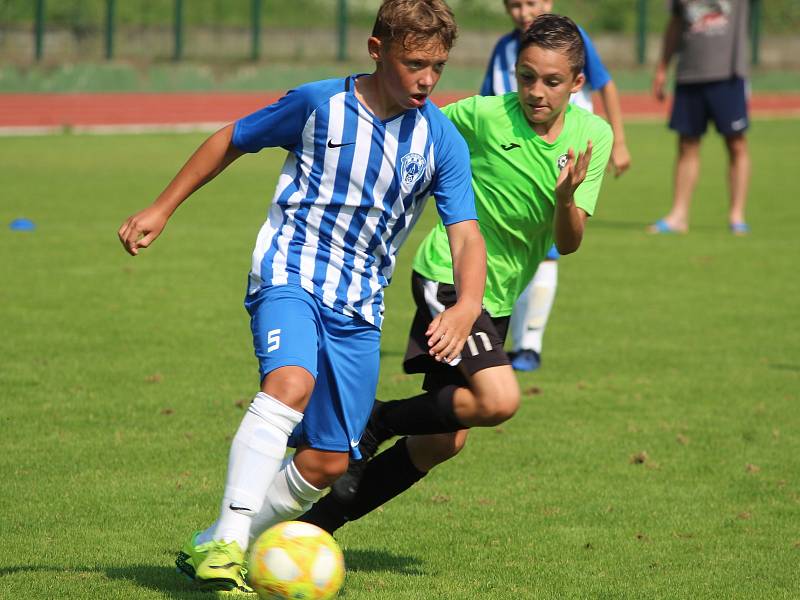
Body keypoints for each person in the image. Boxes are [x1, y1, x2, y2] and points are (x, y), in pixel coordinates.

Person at [117, 0, 486, 592]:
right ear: (376, 50)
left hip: (362, 306)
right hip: (290, 273)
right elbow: (231, 138)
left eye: (438, 66)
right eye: (415, 62)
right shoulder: (320, 104)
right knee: (290, 382)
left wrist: (468, 303)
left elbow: (465, 234)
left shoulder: (440, 139)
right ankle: (232, 545)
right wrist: (162, 208)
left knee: (326, 462)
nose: (427, 78)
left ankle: (212, 540)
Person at [300, 13, 613, 535]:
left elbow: (567, 242)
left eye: (553, 82)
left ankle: (318, 525)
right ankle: (377, 420)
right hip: (449, 274)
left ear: (577, 84)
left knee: (442, 441)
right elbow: (417, 122)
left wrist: (564, 200)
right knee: (499, 400)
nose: (537, 92)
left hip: (503, 296)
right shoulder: (486, 116)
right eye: (527, 77)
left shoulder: (592, 137)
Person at [483, 0, 631, 372]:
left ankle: (530, 342)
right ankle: (507, 341)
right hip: (514, 152)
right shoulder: (502, 48)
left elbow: (606, 84)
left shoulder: (571, 40)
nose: (523, 11)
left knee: (549, 246)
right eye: (514, 5)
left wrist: (621, 141)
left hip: (562, 151)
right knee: (517, 247)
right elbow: (486, 102)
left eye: (530, 2)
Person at [649, 0, 751, 235]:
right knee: (687, 144)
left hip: (728, 73)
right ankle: (679, 215)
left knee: (736, 143)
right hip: (689, 74)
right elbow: (675, 24)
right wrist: (662, 68)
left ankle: (737, 214)